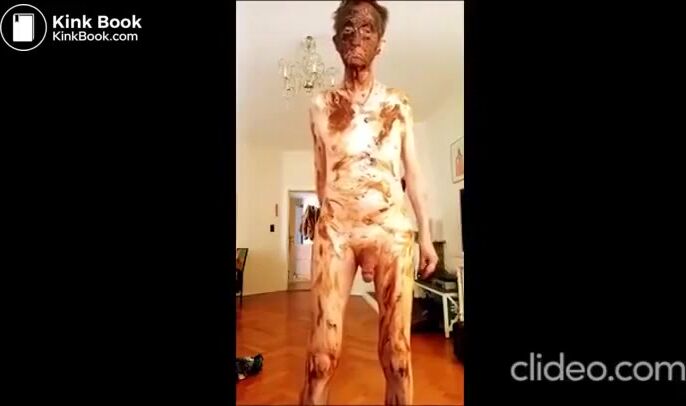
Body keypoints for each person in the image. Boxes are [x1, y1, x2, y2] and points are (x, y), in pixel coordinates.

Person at [299, 1, 438, 404]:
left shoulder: (398, 104)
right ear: (335, 42)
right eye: (346, 29)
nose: (355, 36)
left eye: (367, 29)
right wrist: (331, 225)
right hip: (337, 232)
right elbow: (322, 176)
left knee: (397, 357)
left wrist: (426, 236)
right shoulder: (320, 106)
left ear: (381, 43)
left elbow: (413, 174)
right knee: (320, 358)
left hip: (391, 230)